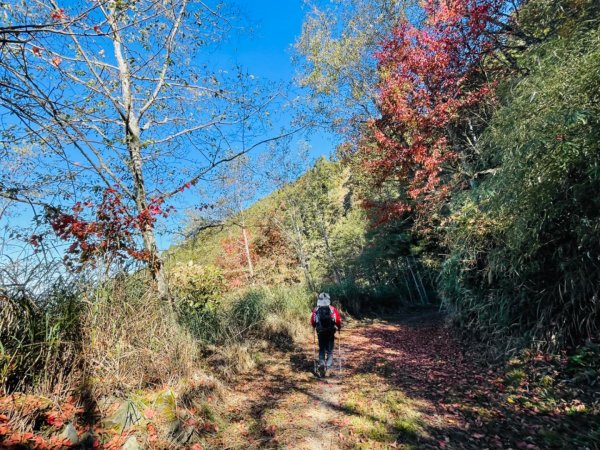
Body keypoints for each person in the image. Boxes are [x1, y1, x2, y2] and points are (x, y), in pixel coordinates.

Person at [310, 292, 342, 376]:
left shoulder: (316, 309)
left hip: (320, 332)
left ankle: (322, 364)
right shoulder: (332, 309)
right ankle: (328, 367)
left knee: (321, 349)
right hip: (330, 332)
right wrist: (339, 327)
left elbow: (313, 321)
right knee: (330, 351)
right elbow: (338, 320)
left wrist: (314, 327)